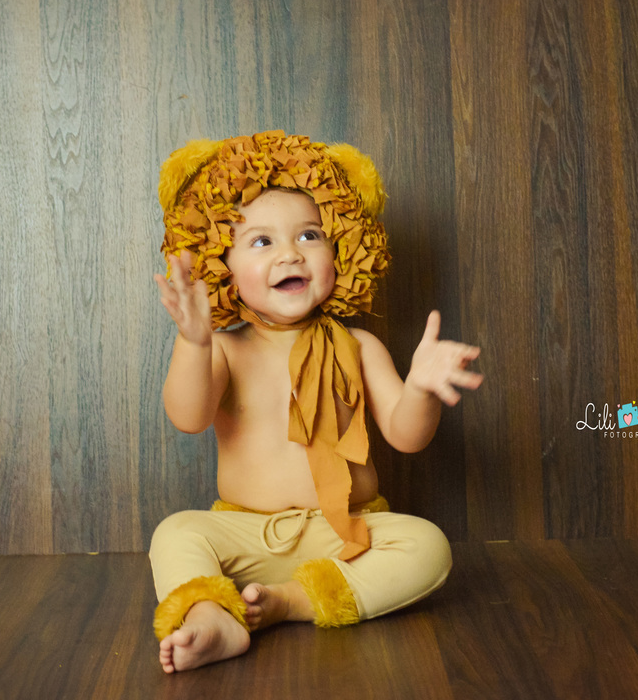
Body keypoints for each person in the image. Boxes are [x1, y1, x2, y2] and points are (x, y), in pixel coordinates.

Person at [150, 131, 483, 673]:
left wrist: (421, 389)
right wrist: (193, 342)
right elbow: (186, 418)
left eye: (309, 235)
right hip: (247, 533)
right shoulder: (226, 350)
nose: (289, 252)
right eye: (261, 242)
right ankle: (211, 614)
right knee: (177, 533)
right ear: (221, 264)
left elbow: (407, 435)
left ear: (342, 249)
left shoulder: (360, 345)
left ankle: (290, 603)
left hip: (347, 531)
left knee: (429, 547)